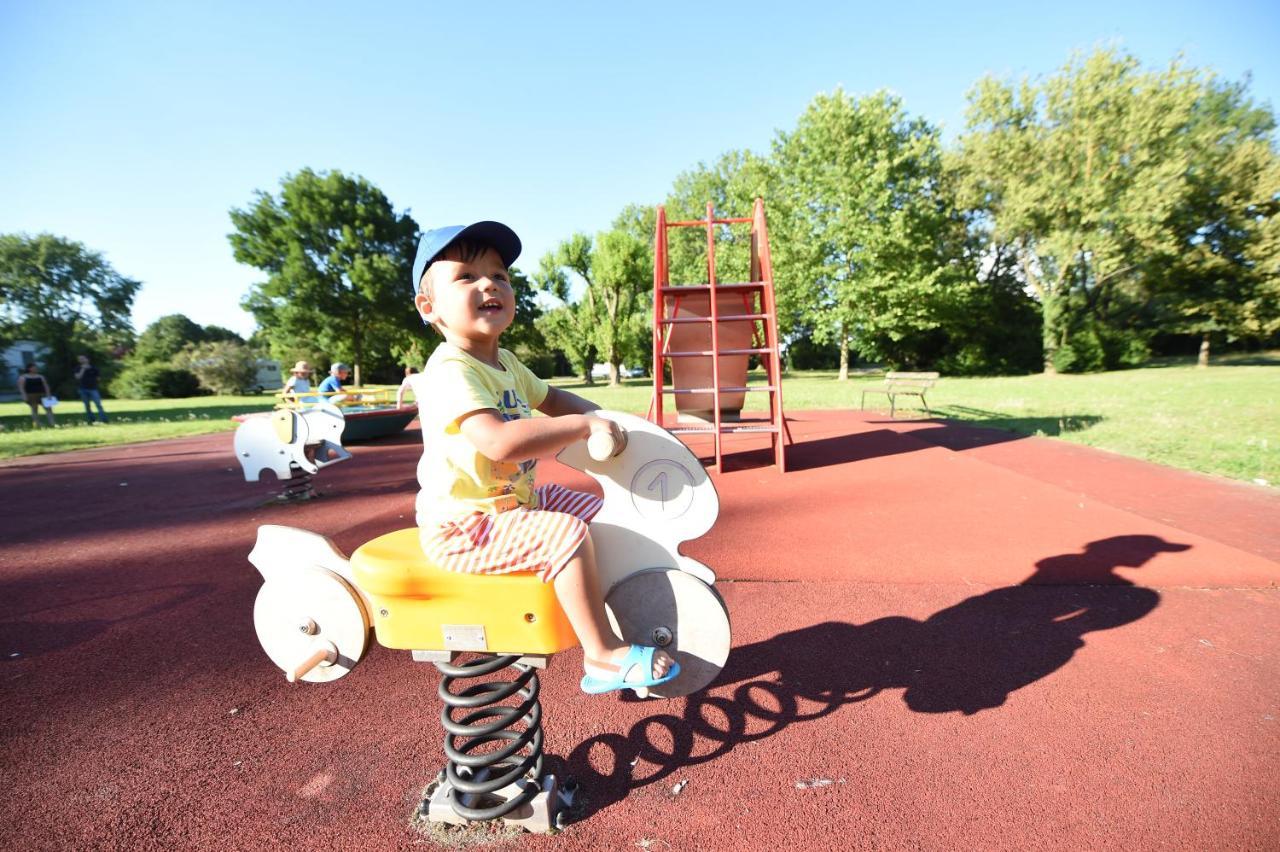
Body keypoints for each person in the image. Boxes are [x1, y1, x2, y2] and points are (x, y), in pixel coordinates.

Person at [411, 220, 676, 695]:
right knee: (565, 532)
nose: (489, 283)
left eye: (500, 275)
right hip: (463, 528)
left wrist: (613, 419)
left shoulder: (506, 362)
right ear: (429, 307)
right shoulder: (450, 368)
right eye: (466, 276)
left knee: (590, 508)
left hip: (510, 510)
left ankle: (617, 602)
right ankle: (602, 655)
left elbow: (554, 399)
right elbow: (499, 442)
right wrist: (582, 427)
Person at [74, 355, 108, 424]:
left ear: (87, 359)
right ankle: (92, 419)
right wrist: (83, 369)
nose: (81, 360)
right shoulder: (78, 368)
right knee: (87, 405)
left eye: (83, 358)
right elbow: (78, 377)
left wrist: (94, 381)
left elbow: (98, 378)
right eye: (80, 359)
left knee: (98, 404)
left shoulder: (94, 368)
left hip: (93, 389)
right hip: (83, 389)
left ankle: (104, 419)